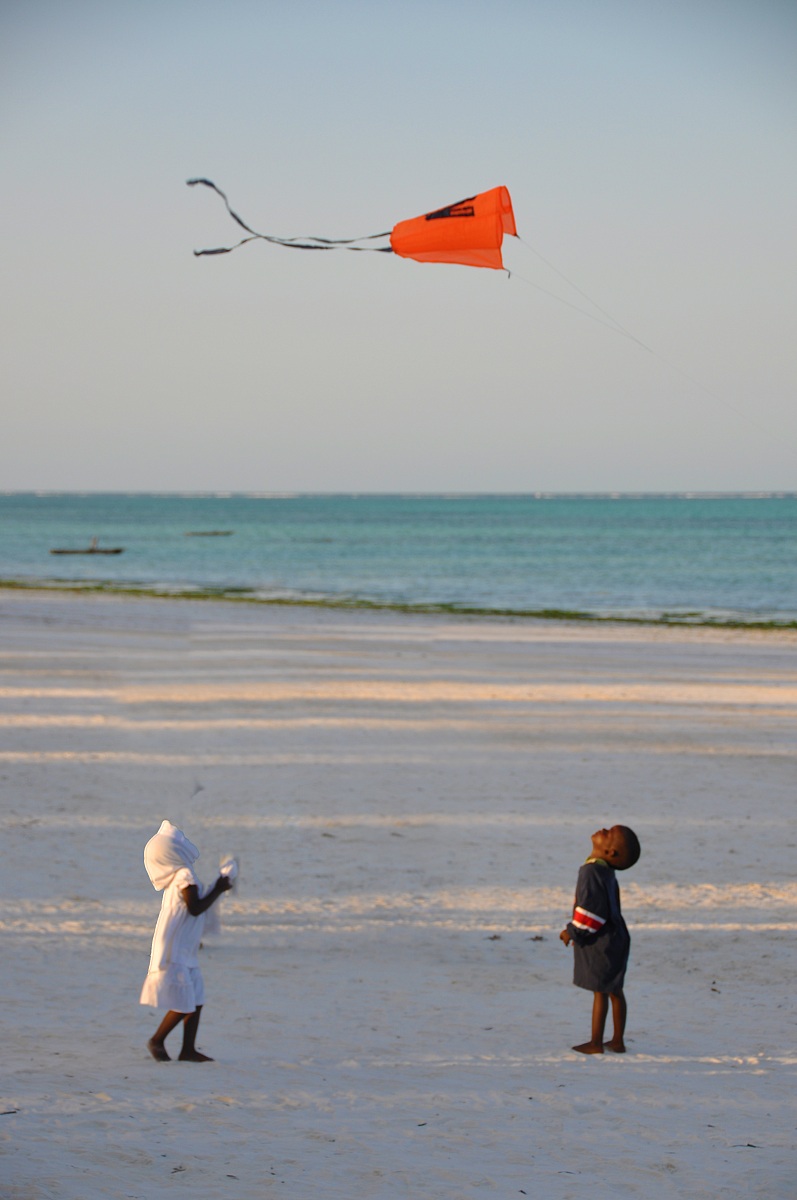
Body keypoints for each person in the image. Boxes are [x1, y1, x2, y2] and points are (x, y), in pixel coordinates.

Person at [140, 820, 234, 1062]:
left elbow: (195, 905)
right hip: (178, 947)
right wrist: (219, 889)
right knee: (185, 1001)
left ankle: (187, 1049)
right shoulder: (183, 874)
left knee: (197, 998)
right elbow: (195, 907)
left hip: (185, 946)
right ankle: (157, 1041)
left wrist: (216, 887)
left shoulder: (179, 874)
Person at [559, 824, 641, 1055]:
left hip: (602, 942)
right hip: (616, 938)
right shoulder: (605, 871)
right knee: (615, 990)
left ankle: (596, 1042)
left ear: (611, 852)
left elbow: (590, 913)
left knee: (601, 991)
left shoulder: (591, 872)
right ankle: (617, 1041)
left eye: (608, 834)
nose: (602, 830)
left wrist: (571, 932)